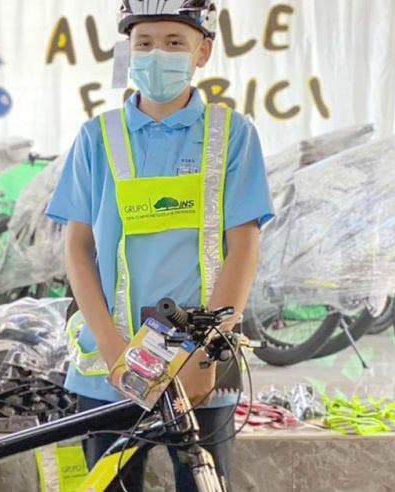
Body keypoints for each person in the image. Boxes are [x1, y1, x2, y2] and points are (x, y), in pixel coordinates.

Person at [45, 1, 274, 490]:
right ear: (128, 50)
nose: (156, 55)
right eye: (143, 43)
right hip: (109, 372)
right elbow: (78, 251)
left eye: (174, 43)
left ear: (203, 51)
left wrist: (204, 354)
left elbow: (244, 249)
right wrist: (114, 353)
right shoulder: (95, 137)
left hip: (201, 369)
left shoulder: (233, 136)